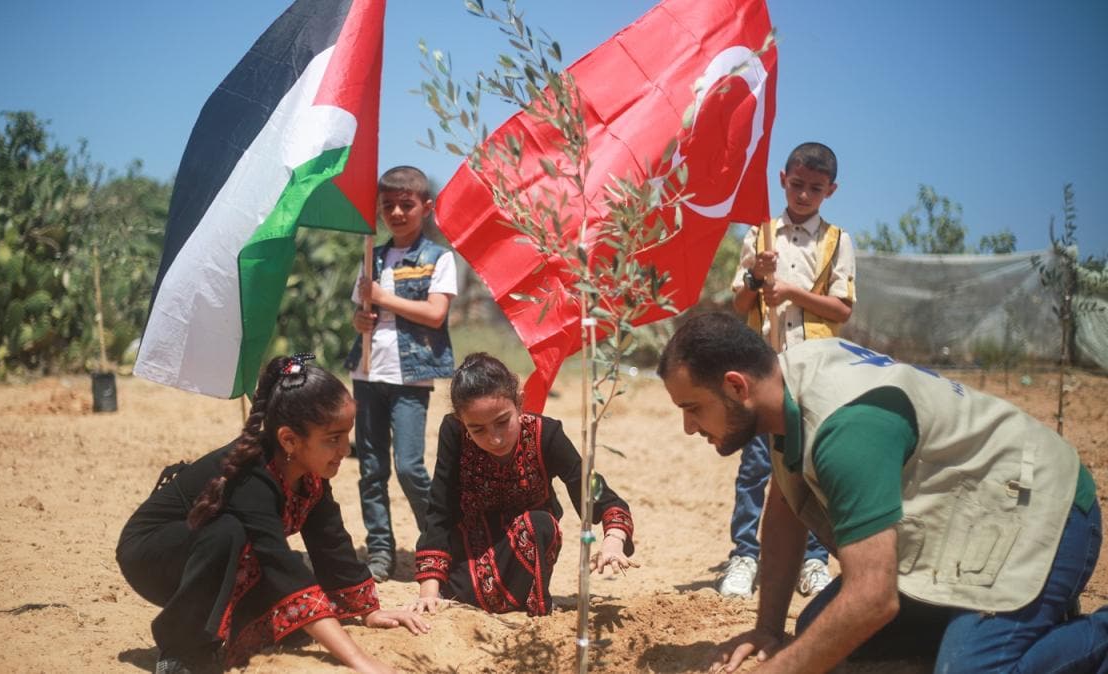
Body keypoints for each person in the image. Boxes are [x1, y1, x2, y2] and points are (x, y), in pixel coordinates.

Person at [658, 312, 1107, 673]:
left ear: (737, 386)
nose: (688, 427)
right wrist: (768, 629)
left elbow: (873, 599)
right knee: (823, 630)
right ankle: (1016, 620)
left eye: (693, 408)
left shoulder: (845, 430)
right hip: (973, 519)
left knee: (966, 666)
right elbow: (783, 511)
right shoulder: (784, 385)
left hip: (1043, 510)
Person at [116, 354, 428, 674]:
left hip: (212, 554)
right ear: (289, 440)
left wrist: (368, 611)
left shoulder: (308, 470)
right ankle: (180, 649)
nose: (345, 449)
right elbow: (279, 564)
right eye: (333, 439)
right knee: (229, 532)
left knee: (289, 614)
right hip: (153, 556)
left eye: (347, 434)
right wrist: (363, 662)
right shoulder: (252, 475)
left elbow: (330, 542)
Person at [720, 141, 856, 599]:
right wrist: (758, 279)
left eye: (814, 189)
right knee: (757, 465)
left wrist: (793, 292)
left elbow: (841, 309)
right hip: (765, 371)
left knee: (811, 467)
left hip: (816, 372)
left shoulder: (837, 241)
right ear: (782, 180)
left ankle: (814, 561)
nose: (803, 195)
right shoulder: (759, 236)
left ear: (830, 191)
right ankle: (744, 556)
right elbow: (740, 302)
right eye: (797, 185)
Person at [409, 353, 639, 616]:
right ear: (462, 423)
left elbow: (594, 490)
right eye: (478, 430)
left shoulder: (546, 435)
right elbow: (440, 509)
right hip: (470, 558)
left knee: (540, 524)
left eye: (502, 422)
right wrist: (428, 592)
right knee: (463, 598)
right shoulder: (454, 433)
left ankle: (528, 603)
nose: (494, 439)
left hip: (528, 555)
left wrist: (613, 540)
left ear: (518, 403)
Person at [344, 165, 458, 583]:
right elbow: (362, 310)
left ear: (425, 208)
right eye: (387, 205)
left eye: (405, 205)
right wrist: (361, 319)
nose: (395, 212)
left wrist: (383, 298)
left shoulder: (438, 258)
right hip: (366, 372)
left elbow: (434, 313)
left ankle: (438, 544)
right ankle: (380, 553)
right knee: (371, 468)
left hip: (411, 376)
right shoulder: (370, 254)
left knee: (409, 467)